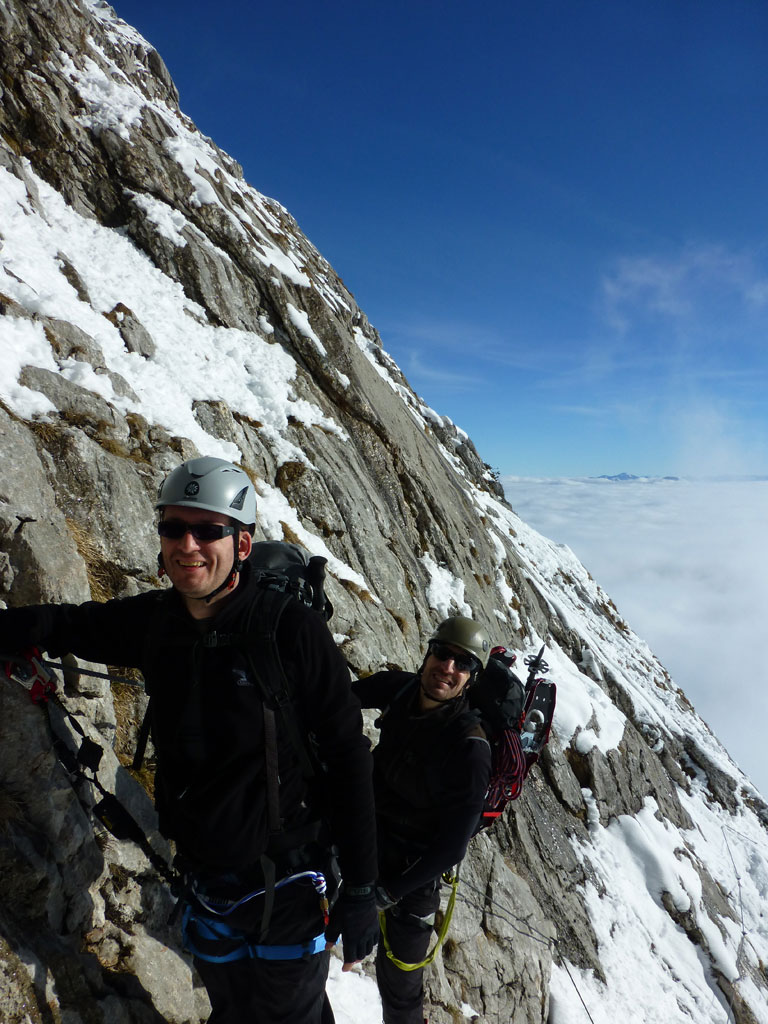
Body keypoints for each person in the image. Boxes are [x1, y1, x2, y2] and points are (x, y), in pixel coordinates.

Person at [0, 456, 379, 1024]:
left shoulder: (290, 631)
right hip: (202, 876)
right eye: (173, 527)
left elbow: (349, 757)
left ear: (242, 545)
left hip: (290, 880)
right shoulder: (159, 621)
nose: (188, 544)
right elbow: (70, 624)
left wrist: (362, 891)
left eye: (208, 530)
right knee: (233, 1007)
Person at [352, 616, 492, 1024]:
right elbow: (336, 698)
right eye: (443, 654)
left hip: (412, 876)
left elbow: (452, 846)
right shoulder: (399, 691)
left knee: (400, 990)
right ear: (428, 653)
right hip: (360, 839)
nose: (447, 668)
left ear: (471, 678)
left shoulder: (471, 748)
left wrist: (388, 892)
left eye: (462, 663)